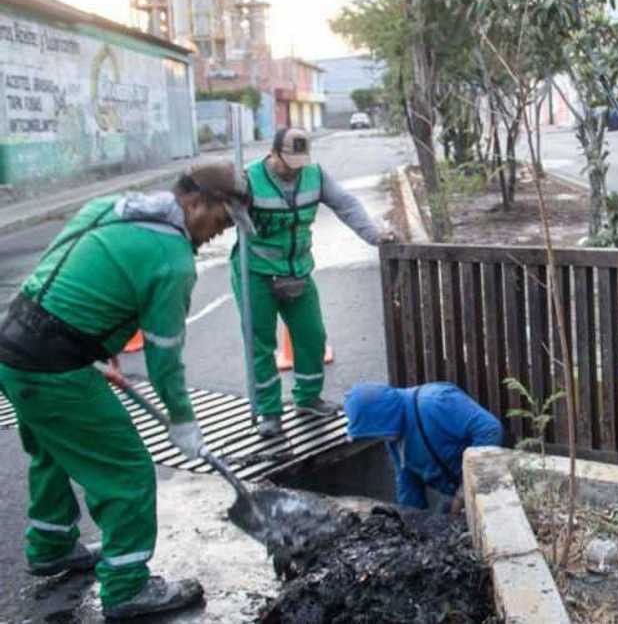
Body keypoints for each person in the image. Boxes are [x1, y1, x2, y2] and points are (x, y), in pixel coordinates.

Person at [0, 163, 252, 619]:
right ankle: (126, 587)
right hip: (57, 367)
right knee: (128, 470)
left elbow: (67, 271)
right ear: (195, 202)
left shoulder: (110, 209)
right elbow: (164, 360)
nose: (222, 232)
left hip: (14, 347)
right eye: (223, 219)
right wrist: (182, 420)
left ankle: (50, 543)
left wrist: (99, 345)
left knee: (54, 448)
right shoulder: (172, 259)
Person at [233, 127, 394, 438]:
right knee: (260, 343)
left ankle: (307, 398)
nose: (295, 169)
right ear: (273, 153)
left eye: (300, 162)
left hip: (298, 270)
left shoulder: (314, 175)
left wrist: (374, 236)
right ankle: (269, 411)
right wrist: (230, 199)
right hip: (256, 272)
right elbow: (222, 214)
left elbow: (346, 205)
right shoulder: (249, 179)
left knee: (311, 335)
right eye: (288, 162)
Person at [343, 381, 503, 512]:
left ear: (381, 420)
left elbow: (490, 430)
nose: (374, 439)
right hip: (452, 492)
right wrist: (409, 518)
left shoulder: (436, 402)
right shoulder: (394, 436)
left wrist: (465, 490)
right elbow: (407, 480)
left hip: (493, 483)